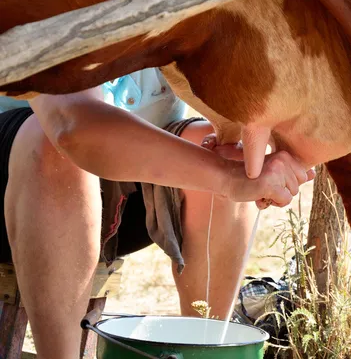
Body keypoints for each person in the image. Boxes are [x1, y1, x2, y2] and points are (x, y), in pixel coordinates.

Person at [0, 68, 314, 359]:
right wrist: (229, 178)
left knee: (234, 155)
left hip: (133, 180)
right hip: (20, 177)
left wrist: (260, 140)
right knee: (52, 146)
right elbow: (74, 126)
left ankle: (207, 349)